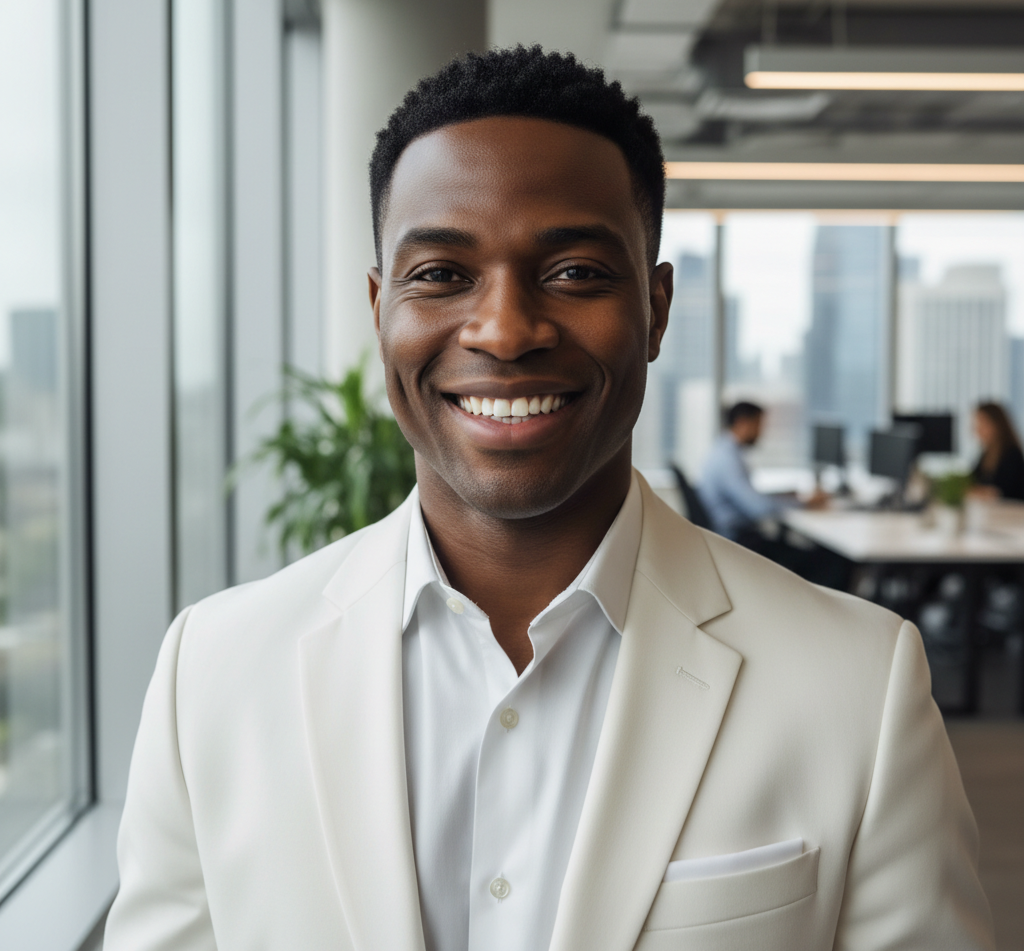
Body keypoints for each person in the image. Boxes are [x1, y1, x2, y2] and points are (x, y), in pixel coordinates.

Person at [104, 47, 992, 951]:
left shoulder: (857, 683)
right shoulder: (210, 673)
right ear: (380, 310)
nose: (504, 331)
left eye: (574, 273)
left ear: (657, 307)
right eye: (442, 274)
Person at [699, 401, 827, 543]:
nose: (761, 432)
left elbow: (747, 497)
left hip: (731, 533)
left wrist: (782, 496)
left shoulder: (723, 450)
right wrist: (805, 503)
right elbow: (759, 508)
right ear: (743, 423)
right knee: (819, 555)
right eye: (758, 424)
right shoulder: (728, 460)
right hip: (736, 538)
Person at [971, 400, 1024, 501]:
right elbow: (973, 481)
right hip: (992, 511)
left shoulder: (1012, 454)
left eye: (982, 423)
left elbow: (1005, 491)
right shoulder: (986, 454)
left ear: (997, 425)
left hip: (1012, 512)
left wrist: (984, 491)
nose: (977, 429)